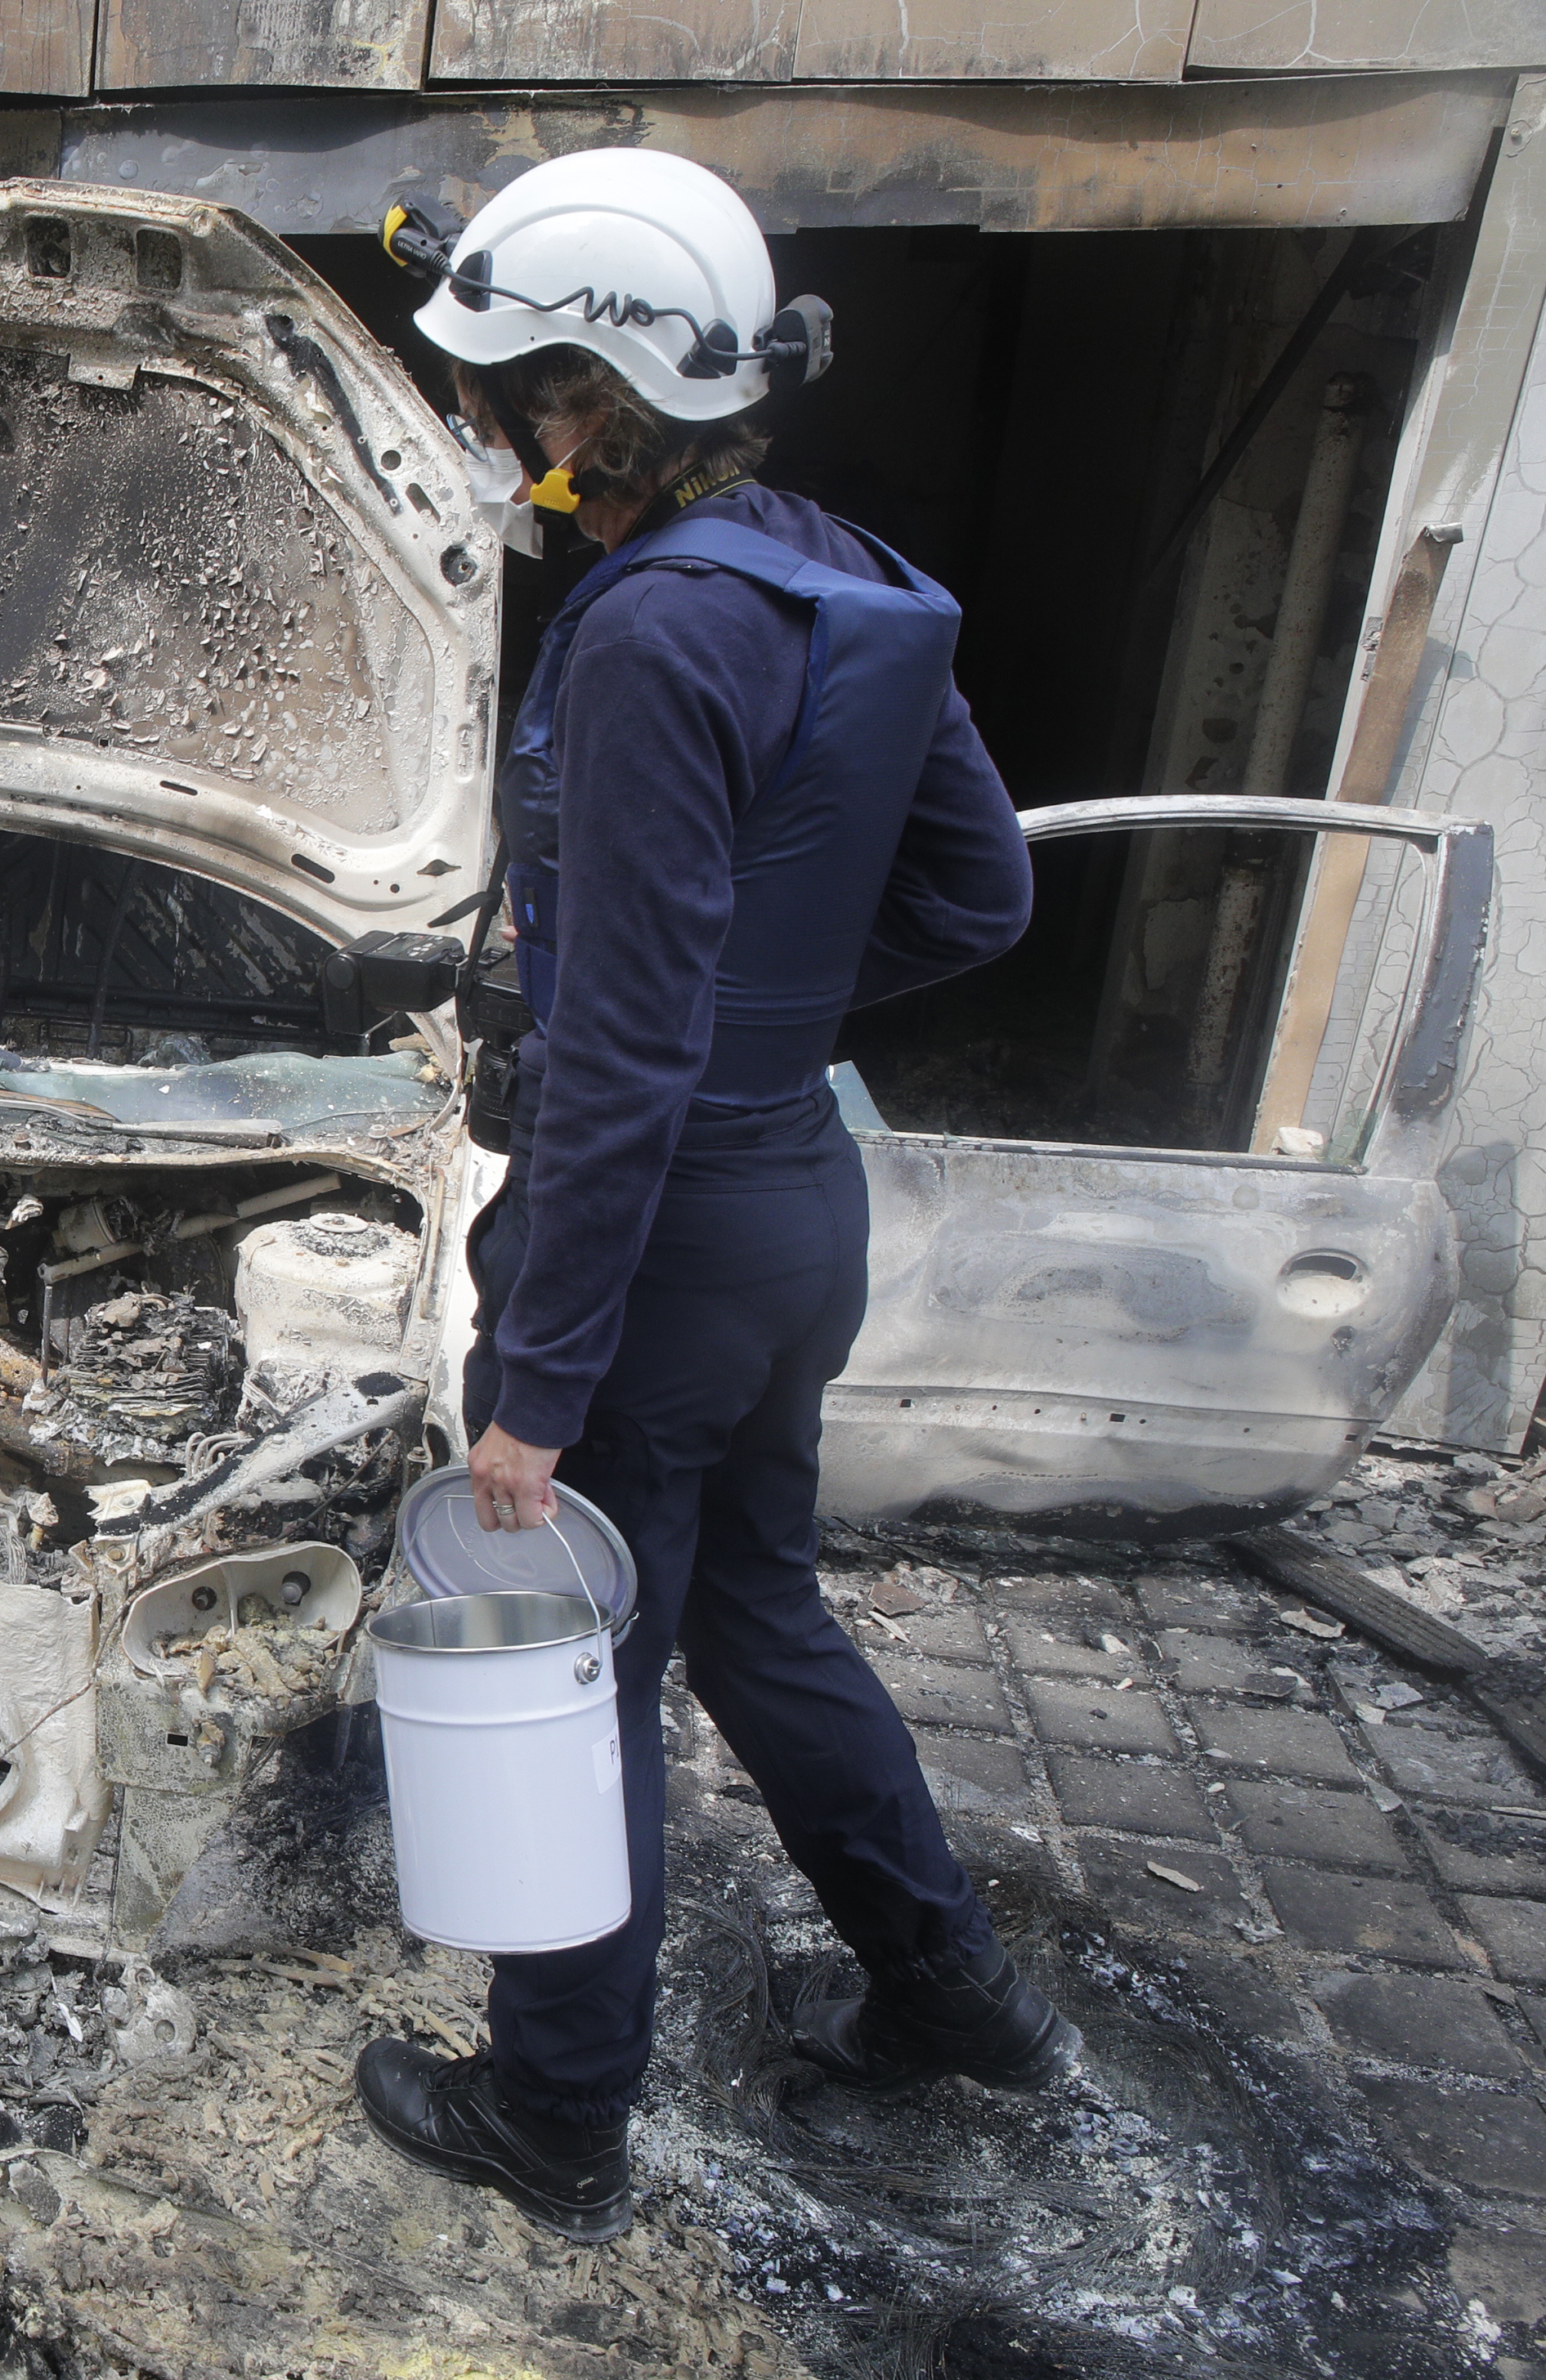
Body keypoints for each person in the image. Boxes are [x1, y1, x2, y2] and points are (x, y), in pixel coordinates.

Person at [353, 154, 1073, 2244]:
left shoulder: (658, 633)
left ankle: (557, 2108)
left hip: (659, 1247)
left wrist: (537, 1390)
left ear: (596, 390)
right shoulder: (839, 570)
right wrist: (781, 1017)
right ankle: (954, 1992)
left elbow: (632, 1048)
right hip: (794, 1210)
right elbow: (983, 892)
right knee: (760, 1615)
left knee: (586, 1670)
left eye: (512, 388)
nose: (495, 427)